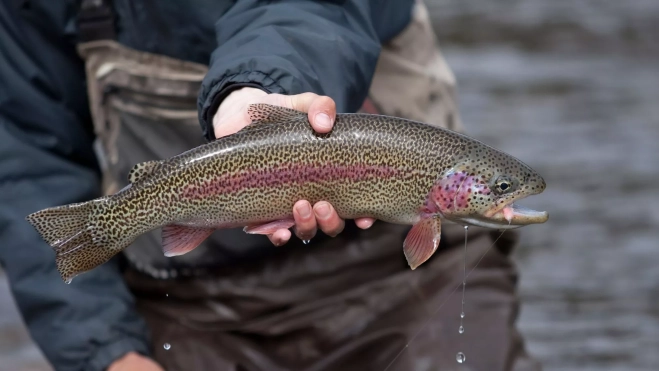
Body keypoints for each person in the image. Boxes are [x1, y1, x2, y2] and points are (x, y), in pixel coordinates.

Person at [0, 0, 541, 370]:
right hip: (188, 300)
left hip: (397, 281)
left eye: (497, 188)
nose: (502, 194)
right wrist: (107, 352)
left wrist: (262, 89)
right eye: (499, 187)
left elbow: (307, 11)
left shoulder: (430, 218)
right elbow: (25, 155)